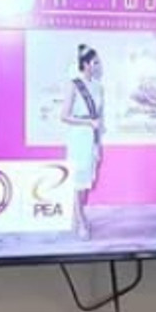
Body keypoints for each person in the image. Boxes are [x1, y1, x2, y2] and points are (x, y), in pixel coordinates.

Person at [61, 44, 104, 238]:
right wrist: (87, 122)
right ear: (85, 64)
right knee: (77, 180)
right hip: (78, 136)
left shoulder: (98, 86)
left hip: (92, 137)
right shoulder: (74, 84)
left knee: (86, 179)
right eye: (95, 62)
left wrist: (98, 138)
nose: (97, 66)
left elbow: (98, 115)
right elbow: (64, 116)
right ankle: (81, 221)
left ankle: (78, 215)